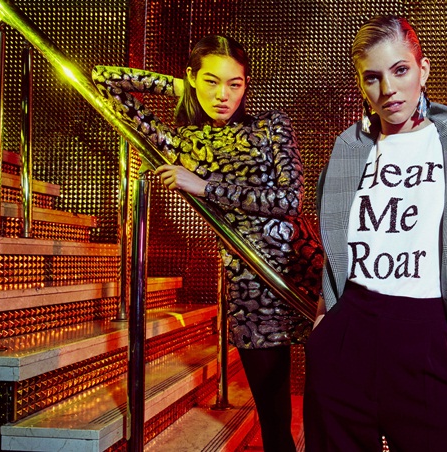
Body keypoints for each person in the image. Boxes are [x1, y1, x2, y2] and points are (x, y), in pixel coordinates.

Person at [92, 35, 322, 452]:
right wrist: (183, 87)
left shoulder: (271, 125)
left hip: (305, 271)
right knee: (274, 423)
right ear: (193, 78)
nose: (223, 95)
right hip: (250, 286)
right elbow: (104, 79)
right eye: (211, 81)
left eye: (235, 83)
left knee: (333, 406)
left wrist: (203, 186)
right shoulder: (181, 142)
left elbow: (290, 201)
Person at [303, 16, 447, 451]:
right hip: (347, 338)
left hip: (428, 342)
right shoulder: (347, 154)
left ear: (423, 69)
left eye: (400, 70)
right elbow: (337, 253)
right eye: (372, 77)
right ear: (362, 85)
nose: (388, 89)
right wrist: (323, 328)